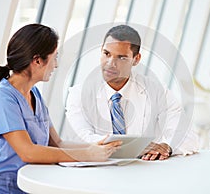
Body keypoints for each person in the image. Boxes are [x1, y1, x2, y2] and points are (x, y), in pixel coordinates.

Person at [0, 24, 121, 193]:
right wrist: (87, 155)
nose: (55, 65)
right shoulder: (2, 97)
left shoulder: (34, 94)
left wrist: (95, 148)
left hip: (24, 187)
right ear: (37, 60)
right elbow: (28, 153)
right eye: (54, 57)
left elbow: (57, 143)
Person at [66, 24, 199, 161]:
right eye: (106, 54)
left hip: (143, 172)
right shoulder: (79, 94)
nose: (111, 63)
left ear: (136, 59)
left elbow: (188, 135)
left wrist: (166, 147)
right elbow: (80, 138)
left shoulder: (157, 91)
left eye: (121, 57)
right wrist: (135, 147)